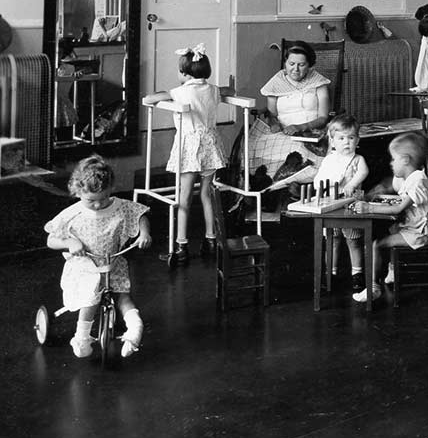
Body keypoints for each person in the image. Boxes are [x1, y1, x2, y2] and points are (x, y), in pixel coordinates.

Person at [45, 155, 151, 358]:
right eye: (91, 201)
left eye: (103, 198)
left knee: (124, 297)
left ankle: (135, 331)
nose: (97, 205)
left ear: (111, 189)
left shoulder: (120, 206)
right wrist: (69, 243)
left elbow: (140, 215)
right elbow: (51, 240)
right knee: (90, 300)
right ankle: (82, 337)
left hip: (113, 263)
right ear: (78, 191)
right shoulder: (73, 213)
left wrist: (144, 233)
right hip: (86, 266)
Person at [144, 44, 230, 262]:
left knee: (184, 196)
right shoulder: (213, 90)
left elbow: (152, 98)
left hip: (190, 147)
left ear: (183, 73)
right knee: (206, 193)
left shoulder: (180, 91)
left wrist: (157, 95)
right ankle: (211, 239)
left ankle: (181, 245)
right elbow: (229, 91)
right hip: (211, 145)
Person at [350, 133, 428, 303]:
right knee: (390, 229)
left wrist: (369, 207)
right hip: (414, 227)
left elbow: (399, 207)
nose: (391, 163)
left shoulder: (417, 181)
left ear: (405, 160)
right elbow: (403, 202)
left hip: (418, 233)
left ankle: (373, 288)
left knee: (376, 244)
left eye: (393, 159)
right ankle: (392, 272)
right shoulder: (415, 177)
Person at [251, 40, 332, 182]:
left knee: (297, 150)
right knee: (263, 147)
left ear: (309, 65)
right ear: (285, 63)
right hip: (283, 133)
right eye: (291, 64)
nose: (295, 69)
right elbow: (272, 114)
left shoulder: (319, 83)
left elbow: (323, 117)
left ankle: (288, 190)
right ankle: (269, 189)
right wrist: (273, 122)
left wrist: (300, 127)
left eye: (301, 65)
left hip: (312, 132)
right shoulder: (276, 83)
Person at [314, 114, 370, 293]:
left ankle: (357, 274)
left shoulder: (358, 159)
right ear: (332, 140)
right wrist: (328, 182)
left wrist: (352, 184)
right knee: (332, 239)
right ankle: (330, 272)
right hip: (332, 202)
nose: (346, 142)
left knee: (353, 240)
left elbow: (363, 173)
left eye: (351, 138)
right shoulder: (329, 160)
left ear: (357, 140)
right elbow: (318, 180)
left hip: (351, 203)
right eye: (341, 138)